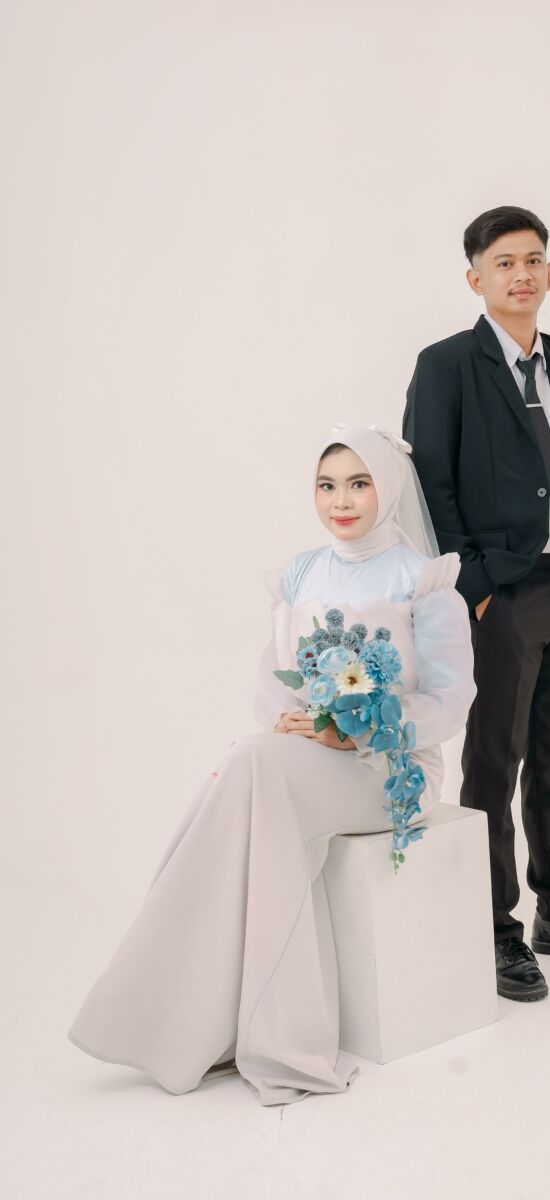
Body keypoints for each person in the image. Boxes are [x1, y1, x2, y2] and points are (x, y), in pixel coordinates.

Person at [67, 423, 477, 1105]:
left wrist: (359, 728)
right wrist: (297, 718)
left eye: (358, 484)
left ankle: (201, 1016)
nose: (340, 501)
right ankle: (217, 1019)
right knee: (254, 759)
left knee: (251, 764)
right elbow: (272, 686)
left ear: (388, 489)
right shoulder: (300, 575)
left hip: (392, 771)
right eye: (326, 485)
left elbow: (449, 703)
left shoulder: (425, 581)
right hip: (302, 760)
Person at [402, 205, 550, 1004]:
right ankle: (493, 925)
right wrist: (473, 587)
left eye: (533, 260)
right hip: (504, 594)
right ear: (476, 279)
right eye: (504, 263)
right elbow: (430, 487)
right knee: (492, 762)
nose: (521, 274)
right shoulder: (447, 367)